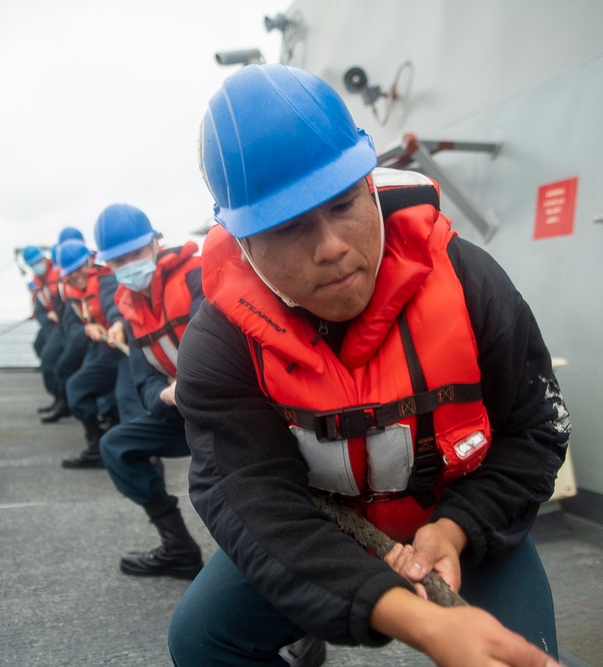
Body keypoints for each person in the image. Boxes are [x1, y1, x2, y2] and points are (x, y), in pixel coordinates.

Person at [168, 64, 570, 667]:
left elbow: (537, 431)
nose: (330, 245)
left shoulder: (470, 282)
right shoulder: (221, 345)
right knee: (202, 641)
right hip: (321, 528)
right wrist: (419, 623)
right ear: (243, 243)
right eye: (287, 227)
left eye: (343, 203)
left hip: (465, 514)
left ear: (371, 185)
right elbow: (250, 500)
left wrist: (456, 528)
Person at [93, 203, 206, 579]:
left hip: (230, 408)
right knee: (117, 446)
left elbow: (226, 345)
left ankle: (297, 619)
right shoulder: (130, 310)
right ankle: (179, 548)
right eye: (119, 260)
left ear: (156, 244)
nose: (129, 265)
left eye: (136, 254)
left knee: (219, 493)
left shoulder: (197, 276)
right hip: (182, 411)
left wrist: (187, 386)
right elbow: (143, 383)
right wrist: (164, 397)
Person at [58, 237, 146, 468]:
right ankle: (96, 448)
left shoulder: (108, 279)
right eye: (71, 273)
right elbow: (70, 329)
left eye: (79, 269)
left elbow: (114, 304)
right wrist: (87, 329)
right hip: (107, 354)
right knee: (76, 388)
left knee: (127, 401)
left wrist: (117, 324)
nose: (76, 276)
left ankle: (145, 461)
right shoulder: (72, 297)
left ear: (90, 263)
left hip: (128, 351)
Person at [38, 227, 90, 424]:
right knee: (54, 362)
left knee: (70, 367)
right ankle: (62, 402)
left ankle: (70, 405)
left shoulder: (89, 270)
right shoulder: (62, 274)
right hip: (67, 324)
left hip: (83, 325)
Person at [23, 244, 63, 414]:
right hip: (50, 325)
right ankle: (58, 396)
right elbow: (39, 311)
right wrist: (47, 316)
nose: (37, 266)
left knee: (51, 360)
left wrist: (59, 314)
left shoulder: (59, 274)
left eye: (38, 261)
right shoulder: (37, 283)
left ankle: (63, 400)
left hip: (64, 326)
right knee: (39, 346)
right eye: (33, 264)